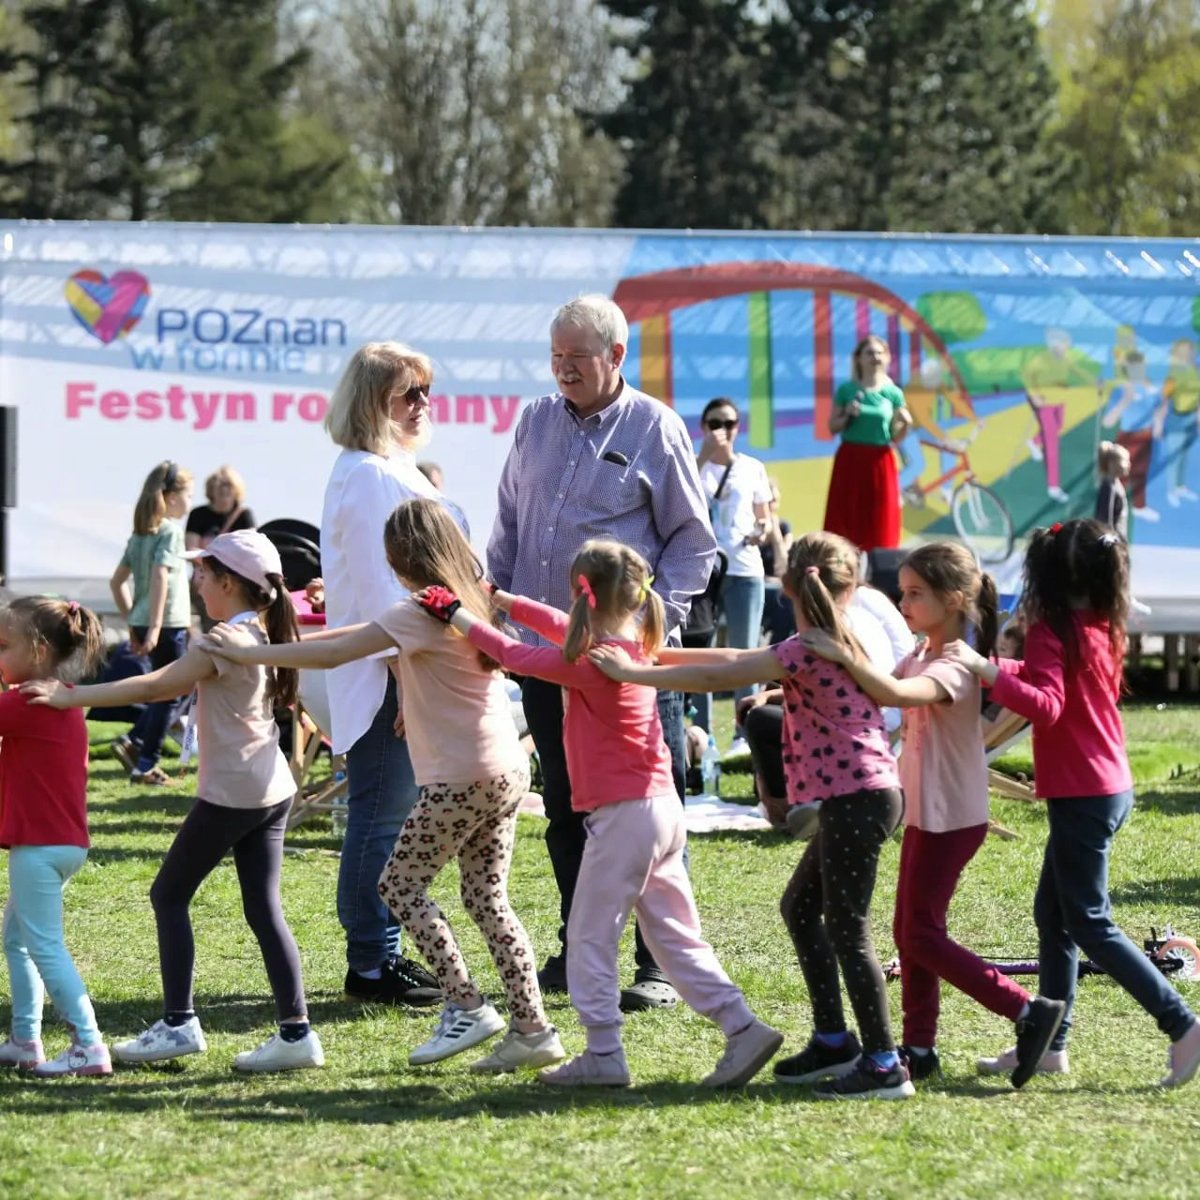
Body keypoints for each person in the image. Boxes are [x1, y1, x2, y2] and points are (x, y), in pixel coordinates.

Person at [201, 500, 565, 1074]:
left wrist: (256, 653)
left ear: (399, 557)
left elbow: (339, 651)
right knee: (487, 899)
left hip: (460, 777)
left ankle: (466, 1006)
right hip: (504, 770)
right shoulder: (466, 601)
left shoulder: (419, 611)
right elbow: (370, 639)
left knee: (399, 887)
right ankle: (533, 1029)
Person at [417, 539, 782, 1089]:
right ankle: (742, 1026)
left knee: (588, 936)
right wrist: (501, 599)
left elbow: (514, 655)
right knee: (674, 936)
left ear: (579, 591)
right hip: (660, 811)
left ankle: (605, 1053)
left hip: (625, 820)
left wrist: (457, 614)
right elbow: (559, 626)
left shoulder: (592, 663)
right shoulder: (632, 642)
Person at [590, 532, 912, 1100]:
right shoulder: (829, 637)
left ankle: (884, 1062)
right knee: (802, 908)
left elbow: (726, 671)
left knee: (848, 928)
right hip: (861, 796)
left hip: (857, 798)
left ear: (785, 587)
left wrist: (636, 673)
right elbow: (731, 659)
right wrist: (646, 652)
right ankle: (833, 1040)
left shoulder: (811, 645)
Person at [487, 294, 715, 1010]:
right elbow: (509, 525)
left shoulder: (656, 427)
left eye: (577, 358)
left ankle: (659, 964)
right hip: (548, 659)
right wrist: (494, 605)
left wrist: (650, 630)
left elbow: (693, 541)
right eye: (555, 357)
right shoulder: (534, 421)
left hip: (627, 670)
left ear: (616, 356)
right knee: (565, 808)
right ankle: (583, 948)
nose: (563, 369)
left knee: (646, 808)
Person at [25, 532, 325, 1073]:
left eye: (203, 574)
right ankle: (296, 1032)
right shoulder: (260, 628)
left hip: (235, 793)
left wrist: (71, 696)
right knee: (263, 909)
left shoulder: (223, 641)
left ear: (228, 583)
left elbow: (155, 688)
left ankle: (179, 1023)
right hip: (271, 788)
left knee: (168, 895)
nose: (196, 582)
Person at [945, 519, 1200, 1088]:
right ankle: (1052, 1045)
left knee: (1088, 921)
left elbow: (1047, 704)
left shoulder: (1051, 627)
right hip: (1106, 788)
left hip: (1084, 794)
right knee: (1054, 915)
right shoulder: (1100, 623)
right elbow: (1048, 680)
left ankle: (1182, 1024)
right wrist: (992, 669)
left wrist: (985, 669)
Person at [800, 542, 1065, 1088]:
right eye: (902, 592)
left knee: (920, 933)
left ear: (954, 600)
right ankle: (919, 1047)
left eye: (915, 593)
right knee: (910, 931)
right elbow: (875, 688)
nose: (904, 603)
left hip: (954, 817)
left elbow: (896, 693)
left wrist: (843, 655)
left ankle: (1026, 1010)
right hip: (925, 812)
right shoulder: (923, 651)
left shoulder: (954, 665)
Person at [321, 341, 451, 1007]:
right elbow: (383, 588)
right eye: (410, 392)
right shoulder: (371, 474)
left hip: (405, 665)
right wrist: (407, 678)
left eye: (426, 390)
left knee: (391, 816)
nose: (424, 403)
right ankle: (371, 962)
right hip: (388, 672)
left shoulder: (386, 466)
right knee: (381, 816)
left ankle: (382, 953)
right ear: (376, 402)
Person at [0, 598, 111, 1078]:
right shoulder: (63, 697)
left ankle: (88, 1044)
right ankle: (25, 1041)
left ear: (39, 651)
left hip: (39, 849)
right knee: (18, 940)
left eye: (3, 645)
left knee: (44, 946)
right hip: (64, 845)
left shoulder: (27, 702)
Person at [692, 396, 773, 755]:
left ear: (739, 428)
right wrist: (703, 456)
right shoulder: (693, 464)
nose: (721, 430)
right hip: (702, 572)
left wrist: (762, 530)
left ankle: (745, 733)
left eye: (728, 424)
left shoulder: (752, 467)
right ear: (703, 427)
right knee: (702, 653)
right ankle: (701, 734)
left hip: (744, 567)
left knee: (745, 654)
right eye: (714, 423)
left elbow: (764, 517)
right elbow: (677, 497)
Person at [110, 461, 194, 787]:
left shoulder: (140, 535)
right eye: (188, 495)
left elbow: (117, 582)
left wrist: (134, 621)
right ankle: (145, 762)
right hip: (167, 624)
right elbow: (161, 576)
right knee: (171, 692)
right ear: (172, 497)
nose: (189, 502)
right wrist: (157, 626)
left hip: (145, 621)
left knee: (168, 690)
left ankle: (136, 742)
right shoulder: (170, 532)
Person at [823, 335, 912, 552]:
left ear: (887, 358)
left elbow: (894, 437)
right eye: (869, 353)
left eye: (879, 353)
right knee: (846, 517)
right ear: (859, 358)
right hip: (851, 459)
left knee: (880, 518)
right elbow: (832, 427)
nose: (875, 357)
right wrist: (847, 414)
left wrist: (906, 424)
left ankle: (879, 566)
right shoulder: (847, 390)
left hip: (880, 460)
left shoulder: (893, 393)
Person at [185, 466, 255, 551]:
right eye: (220, 485)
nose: (224, 489)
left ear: (237, 489)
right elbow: (191, 548)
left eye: (229, 485)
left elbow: (251, 548)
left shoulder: (244, 515)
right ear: (211, 489)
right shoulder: (197, 514)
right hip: (203, 560)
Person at [1095, 440, 1131, 540]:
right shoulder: (1108, 486)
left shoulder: (1115, 484)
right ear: (1112, 463)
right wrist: (1111, 542)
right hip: (1113, 543)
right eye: (1125, 461)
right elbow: (1104, 521)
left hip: (1119, 541)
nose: (1129, 464)